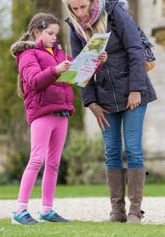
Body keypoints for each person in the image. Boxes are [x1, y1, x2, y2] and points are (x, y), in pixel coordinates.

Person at [62, 0, 157, 223]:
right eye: (74, 9)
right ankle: (117, 211)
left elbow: (135, 49)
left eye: (83, 7)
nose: (80, 13)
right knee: (111, 152)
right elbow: (81, 67)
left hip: (133, 92)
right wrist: (91, 103)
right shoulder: (75, 26)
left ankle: (135, 210)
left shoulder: (115, 12)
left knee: (133, 149)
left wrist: (136, 88)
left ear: (92, 0)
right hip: (103, 98)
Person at [9, 12, 107, 225]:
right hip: (42, 112)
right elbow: (34, 81)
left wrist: (96, 62)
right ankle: (19, 211)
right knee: (37, 159)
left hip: (62, 112)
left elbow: (80, 73)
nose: (55, 37)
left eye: (56, 33)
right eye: (50, 33)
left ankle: (46, 210)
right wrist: (54, 70)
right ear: (37, 32)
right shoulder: (28, 55)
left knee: (53, 163)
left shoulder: (59, 54)